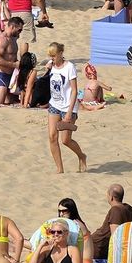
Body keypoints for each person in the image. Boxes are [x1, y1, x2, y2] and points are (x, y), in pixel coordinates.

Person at [44, 42, 86, 174]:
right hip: (54, 105)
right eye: (50, 56)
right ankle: (59, 168)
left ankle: (81, 156)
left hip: (68, 107)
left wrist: (69, 112)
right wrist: (48, 68)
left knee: (65, 140)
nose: (52, 59)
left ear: (61, 54)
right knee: (52, 136)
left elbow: (74, 90)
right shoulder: (52, 66)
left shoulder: (70, 67)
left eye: (54, 56)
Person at [89, 184, 132, 260]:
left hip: (98, 248)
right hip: (97, 245)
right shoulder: (130, 209)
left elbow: (115, 236)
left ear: (111, 197)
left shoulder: (116, 211)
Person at [0, 17, 24, 107]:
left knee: (10, 101)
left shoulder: (13, 38)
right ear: (12, 27)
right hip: (2, 74)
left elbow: (12, 55)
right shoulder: (2, 39)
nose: (20, 32)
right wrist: (14, 64)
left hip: (12, 75)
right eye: (19, 30)